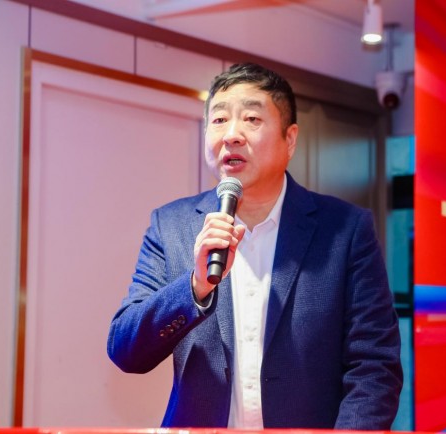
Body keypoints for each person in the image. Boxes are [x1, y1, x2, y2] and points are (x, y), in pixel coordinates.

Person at [107, 62, 403, 430]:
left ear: (289, 140)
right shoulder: (171, 225)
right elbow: (126, 350)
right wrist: (195, 287)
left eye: (251, 119)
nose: (232, 134)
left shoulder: (345, 229)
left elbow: (374, 366)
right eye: (219, 120)